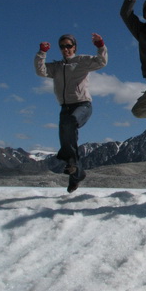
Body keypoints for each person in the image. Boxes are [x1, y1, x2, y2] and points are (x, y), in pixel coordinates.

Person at [34, 33, 108, 193]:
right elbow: (41, 71)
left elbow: (101, 62)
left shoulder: (81, 61)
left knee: (70, 123)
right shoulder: (57, 66)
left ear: (74, 47)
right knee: (67, 142)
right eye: (62, 46)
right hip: (65, 107)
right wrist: (42, 53)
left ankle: (75, 170)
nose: (65, 49)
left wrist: (100, 46)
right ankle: (77, 174)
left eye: (68, 46)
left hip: (83, 105)